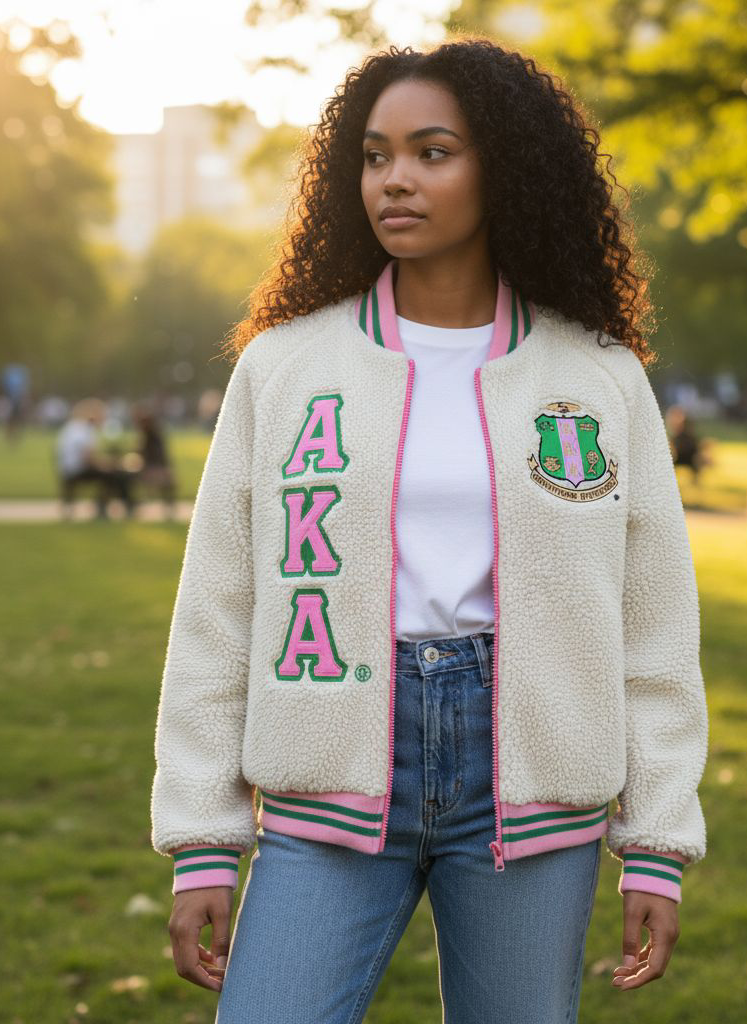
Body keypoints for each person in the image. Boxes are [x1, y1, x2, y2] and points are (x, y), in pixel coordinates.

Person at [149, 39, 709, 1023]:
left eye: (432, 152)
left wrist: (657, 842)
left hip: (531, 794)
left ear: (506, 169)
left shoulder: (597, 374)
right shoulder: (284, 367)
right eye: (375, 156)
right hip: (327, 780)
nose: (394, 179)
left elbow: (653, 624)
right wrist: (202, 835)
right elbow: (217, 609)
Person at [54, 398, 137, 521]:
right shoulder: (84, 430)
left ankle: (106, 505)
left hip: (68, 469)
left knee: (112, 472)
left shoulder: (73, 427)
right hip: (77, 470)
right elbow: (88, 459)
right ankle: (110, 506)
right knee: (114, 474)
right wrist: (109, 464)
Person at [129, 402, 177, 520]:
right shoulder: (153, 437)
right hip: (157, 469)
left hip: (152, 470)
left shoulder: (150, 438)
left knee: (127, 477)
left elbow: (142, 455)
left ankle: (131, 506)